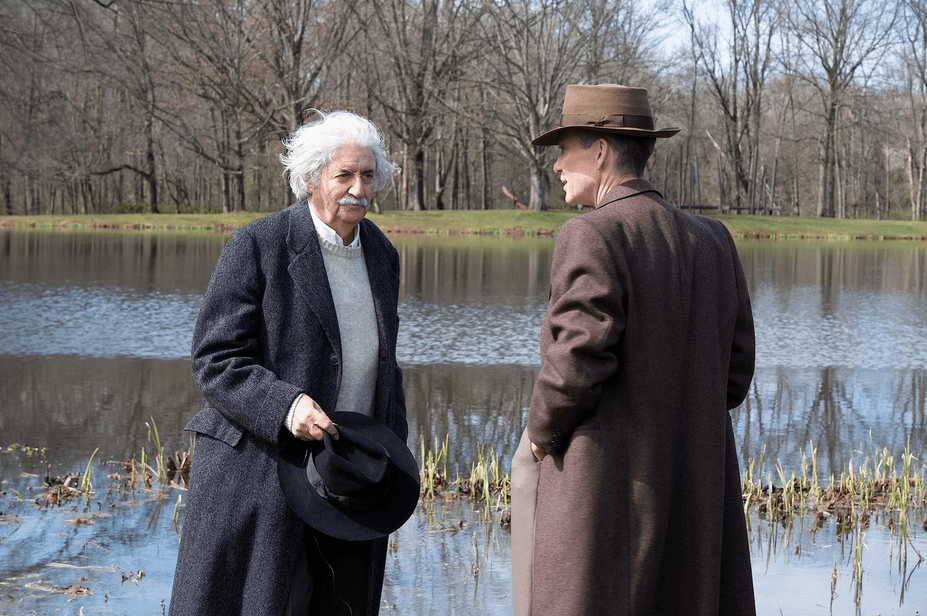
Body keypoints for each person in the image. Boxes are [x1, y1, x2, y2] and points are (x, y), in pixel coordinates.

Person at [510, 84, 757, 615]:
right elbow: (734, 376)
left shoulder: (591, 234)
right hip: (696, 492)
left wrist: (538, 434)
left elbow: (576, 360)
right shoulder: (714, 240)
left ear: (600, 150)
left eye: (565, 148)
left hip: (605, 500)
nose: (557, 165)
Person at [169, 110, 411, 616]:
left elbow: (384, 363)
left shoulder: (383, 255)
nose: (358, 188)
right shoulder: (259, 245)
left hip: (347, 474)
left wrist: (392, 458)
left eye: (367, 175)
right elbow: (216, 358)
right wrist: (286, 406)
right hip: (257, 470)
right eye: (343, 174)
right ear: (310, 179)